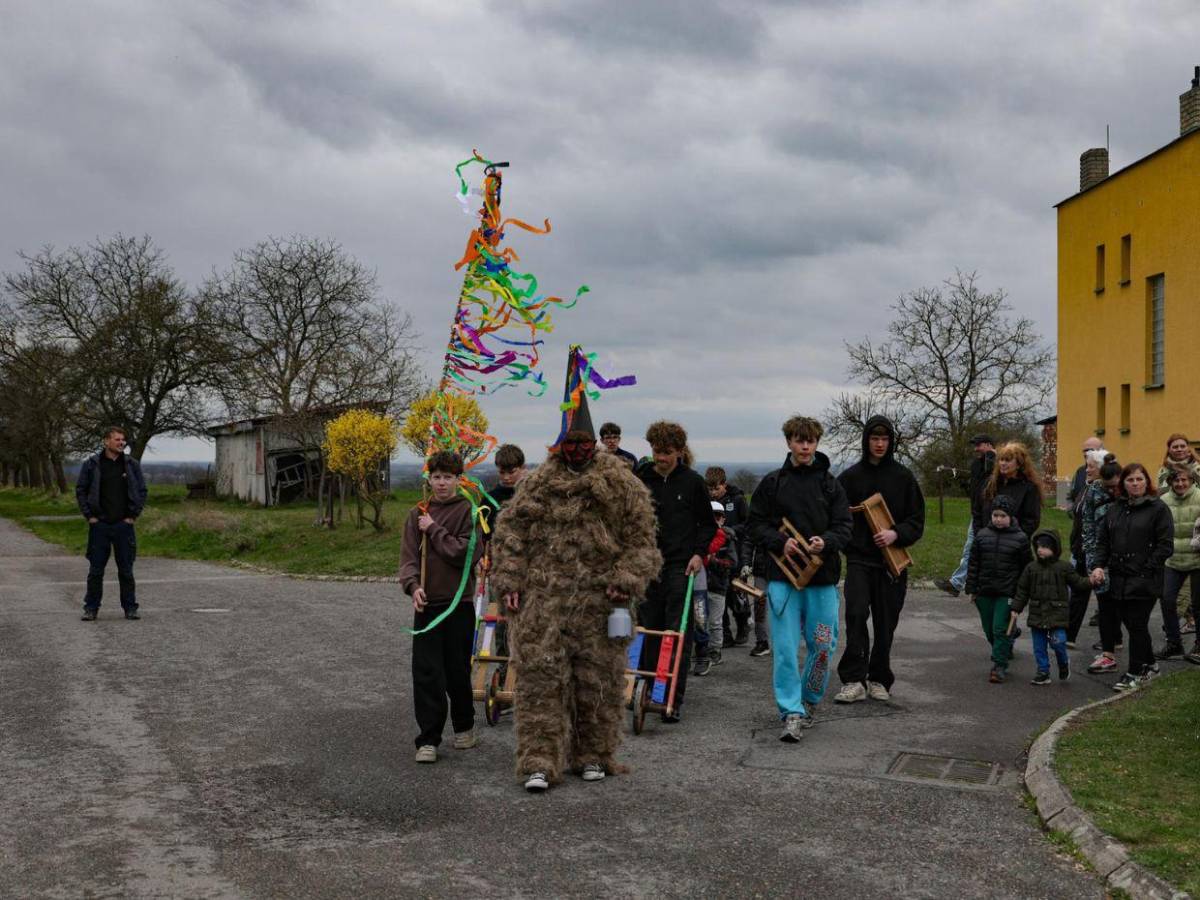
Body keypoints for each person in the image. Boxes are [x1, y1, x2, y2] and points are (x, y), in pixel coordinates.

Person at [491, 417, 661, 792]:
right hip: (543, 601)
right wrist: (509, 580)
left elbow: (642, 540)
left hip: (599, 602)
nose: (578, 452)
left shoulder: (620, 484)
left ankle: (594, 754)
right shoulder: (537, 484)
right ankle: (538, 761)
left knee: (596, 681)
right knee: (539, 682)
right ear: (558, 446)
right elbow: (510, 534)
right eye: (570, 445)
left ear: (595, 444)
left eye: (585, 444)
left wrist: (625, 579)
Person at [748, 415, 852, 742]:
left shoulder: (831, 484)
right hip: (783, 580)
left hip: (822, 581)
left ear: (817, 443)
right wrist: (781, 542)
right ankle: (790, 710)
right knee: (785, 650)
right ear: (789, 442)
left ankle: (808, 700)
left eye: (810, 440)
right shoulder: (773, 483)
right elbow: (755, 526)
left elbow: (845, 528)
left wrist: (827, 542)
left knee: (823, 645)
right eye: (798, 440)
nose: (805, 446)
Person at [399, 451, 485, 764]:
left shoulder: (470, 512)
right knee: (426, 673)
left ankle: (464, 726)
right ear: (429, 478)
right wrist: (413, 586)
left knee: (456, 671)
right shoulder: (416, 513)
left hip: (458, 604)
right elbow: (408, 558)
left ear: (458, 479)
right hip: (428, 605)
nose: (442, 483)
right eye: (436, 477)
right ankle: (428, 739)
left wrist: (434, 528)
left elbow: (465, 553)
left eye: (448, 477)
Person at [833, 416, 925, 703]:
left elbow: (917, 520)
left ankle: (879, 679)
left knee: (886, 624)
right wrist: (848, 542)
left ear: (891, 441)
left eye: (885, 439)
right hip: (860, 561)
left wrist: (895, 534)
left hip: (891, 564)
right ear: (866, 440)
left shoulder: (903, 478)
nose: (880, 444)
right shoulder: (849, 478)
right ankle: (853, 679)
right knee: (856, 616)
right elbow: (835, 516)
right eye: (875, 439)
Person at [636, 421, 715, 723]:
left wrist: (699, 554)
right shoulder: (641, 479)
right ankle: (643, 690)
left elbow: (707, 525)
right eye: (656, 452)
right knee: (648, 628)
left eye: (667, 453)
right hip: (648, 564)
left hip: (681, 567)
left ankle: (670, 696)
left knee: (675, 632)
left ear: (680, 452)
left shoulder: (693, 482)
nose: (661, 458)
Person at [1091, 462, 1174, 691]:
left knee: (1137, 623)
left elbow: (1165, 545)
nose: (1135, 483)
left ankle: (1135, 671)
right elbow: (1103, 542)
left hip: (1146, 579)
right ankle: (1151, 665)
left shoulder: (1158, 509)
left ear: (1147, 481)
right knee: (1131, 624)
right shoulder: (1115, 509)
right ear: (1123, 483)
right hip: (1118, 578)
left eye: (1139, 479)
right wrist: (1098, 566)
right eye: (1130, 480)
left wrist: (1147, 568)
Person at [75, 426, 148, 621]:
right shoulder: (92, 464)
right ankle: (91, 608)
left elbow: (142, 491)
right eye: (117, 440)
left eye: (123, 440)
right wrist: (89, 516)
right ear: (106, 441)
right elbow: (81, 490)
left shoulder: (131, 464)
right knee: (96, 571)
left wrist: (133, 516)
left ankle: (130, 608)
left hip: (124, 526)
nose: (121, 443)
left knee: (126, 570)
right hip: (100, 525)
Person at [1009, 529, 1091, 685]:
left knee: (1058, 642)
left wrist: (1091, 581)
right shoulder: (1031, 568)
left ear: (1054, 548)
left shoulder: (1064, 567)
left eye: (1044, 546)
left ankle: (1063, 662)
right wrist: (1016, 608)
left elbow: (1078, 583)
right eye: (1038, 546)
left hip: (1057, 614)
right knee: (1039, 647)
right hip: (1037, 614)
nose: (1040, 549)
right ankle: (1043, 671)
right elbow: (1022, 590)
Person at [965, 495, 1031, 683]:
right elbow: (974, 563)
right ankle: (1007, 642)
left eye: (1003, 516)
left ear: (1010, 517)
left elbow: (1027, 569)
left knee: (999, 629)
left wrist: (1021, 595)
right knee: (989, 630)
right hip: (984, 592)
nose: (998, 519)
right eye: (995, 515)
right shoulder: (982, 536)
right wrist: (972, 588)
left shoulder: (1020, 539)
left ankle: (999, 665)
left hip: (1007, 593)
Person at [935, 434, 995, 597]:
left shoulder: (998, 463)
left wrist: (992, 456)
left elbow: (993, 478)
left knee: (983, 549)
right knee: (971, 548)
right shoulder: (976, 464)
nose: (975, 449)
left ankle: (965, 584)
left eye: (979, 445)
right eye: (974, 445)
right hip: (977, 512)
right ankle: (958, 583)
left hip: (992, 514)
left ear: (989, 445)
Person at [1082, 454, 1126, 674]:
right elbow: (1087, 522)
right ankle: (1109, 648)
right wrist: (1091, 555)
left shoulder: (1127, 492)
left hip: (1124, 557)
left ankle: (1116, 639)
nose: (1112, 491)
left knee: (1120, 602)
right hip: (1099, 556)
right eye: (1109, 487)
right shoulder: (1093, 491)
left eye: (1116, 487)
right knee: (1104, 603)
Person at [1153, 465, 1200, 660]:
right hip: (1173, 559)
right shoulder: (1163, 501)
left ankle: (1199, 646)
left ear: (1192, 481)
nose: (1180, 484)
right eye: (1176, 480)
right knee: (1167, 600)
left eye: (1184, 480)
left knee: (1198, 605)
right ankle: (1174, 643)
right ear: (1170, 482)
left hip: (1198, 559)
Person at [1065, 448, 1108, 646]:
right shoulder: (1087, 487)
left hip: (1098, 553)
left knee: (1104, 597)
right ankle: (1069, 636)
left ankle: (1112, 639)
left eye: (1091, 466)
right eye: (1087, 465)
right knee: (1079, 593)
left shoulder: (1106, 491)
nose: (1087, 470)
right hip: (1082, 548)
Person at [706, 466, 751, 646]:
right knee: (718, 595)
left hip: (735, 553)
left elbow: (748, 525)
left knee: (737, 594)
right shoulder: (707, 501)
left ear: (724, 484)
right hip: (716, 557)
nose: (713, 492)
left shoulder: (738, 500)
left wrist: (731, 532)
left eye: (716, 488)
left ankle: (742, 625)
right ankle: (724, 633)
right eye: (710, 489)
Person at [693, 501, 738, 676]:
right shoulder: (700, 538)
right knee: (699, 619)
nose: (715, 520)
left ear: (723, 518)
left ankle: (714, 651)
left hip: (718, 586)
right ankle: (699, 651)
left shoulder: (727, 538)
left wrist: (714, 561)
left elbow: (732, 563)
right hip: (702, 584)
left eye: (718, 516)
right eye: (712, 516)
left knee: (715, 622)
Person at [980, 442, 1042, 540]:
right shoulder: (990, 483)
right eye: (1001, 460)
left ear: (1018, 464)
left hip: (1014, 543)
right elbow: (979, 511)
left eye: (1008, 460)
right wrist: (982, 535)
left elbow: (1031, 520)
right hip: (988, 540)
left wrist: (1016, 539)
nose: (1003, 463)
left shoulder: (1029, 487)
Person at [1067, 436, 1105, 508]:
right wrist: (1073, 510)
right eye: (1085, 450)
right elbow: (1071, 496)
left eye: (1090, 450)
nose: (1086, 453)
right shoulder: (1080, 472)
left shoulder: (1110, 472)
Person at [488, 443, 527, 507]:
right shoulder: (489, 499)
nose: (506, 478)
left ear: (522, 468)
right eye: (502, 472)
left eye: (511, 472)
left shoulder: (531, 495)